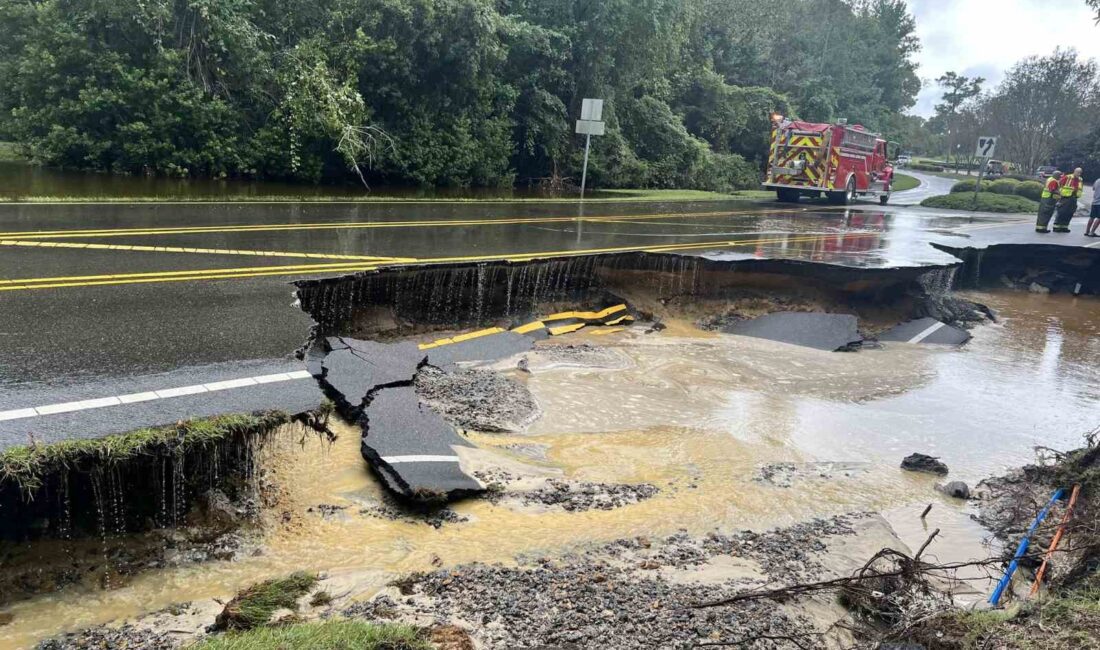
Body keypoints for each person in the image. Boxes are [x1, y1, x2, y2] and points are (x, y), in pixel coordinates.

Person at [1053, 167, 1084, 233]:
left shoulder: (1080, 179)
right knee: (1062, 212)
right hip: (1065, 197)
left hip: (1074, 198)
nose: (1079, 174)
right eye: (1078, 172)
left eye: (1080, 173)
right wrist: (1060, 193)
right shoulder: (1068, 177)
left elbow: (1080, 189)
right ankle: (1056, 227)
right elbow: (1059, 184)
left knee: (1069, 213)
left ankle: (1064, 227)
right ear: (1074, 171)